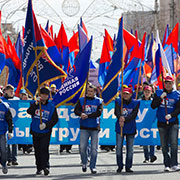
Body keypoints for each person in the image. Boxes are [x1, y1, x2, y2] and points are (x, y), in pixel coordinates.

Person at [27, 87, 58, 176]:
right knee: (37, 150)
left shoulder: (52, 106)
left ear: (48, 96)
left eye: (46, 95)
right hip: (35, 130)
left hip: (46, 131)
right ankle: (39, 167)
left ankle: (46, 167)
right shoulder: (34, 103)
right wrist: (36, 104)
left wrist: (46, 125)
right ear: (39, 95)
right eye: (42, 94)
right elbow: (29, 111)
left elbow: (55, 119)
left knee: (44, 149)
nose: (44, 96)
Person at [151, 76, 180, 172]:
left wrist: (171, 115)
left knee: (174, 143)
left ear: (173, 84)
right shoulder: (159, 93)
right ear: (164, 84)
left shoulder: (177, 94)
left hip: (173, 122)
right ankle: (167, 164)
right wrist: (160, 98)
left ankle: (174, 163)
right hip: (161, 123)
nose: (168, 85)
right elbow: (153, 106)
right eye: (166, 83)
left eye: (170, 83)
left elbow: (178, 108)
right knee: (164, 145)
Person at [74, 84, 103, 174]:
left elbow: (99, 113)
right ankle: (84, 162)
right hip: (84, 127)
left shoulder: (99, 101)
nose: (89, 93)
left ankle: (93, 166)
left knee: (94, 148)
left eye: (91, 91)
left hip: (94, 127)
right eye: (88, 91)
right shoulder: (82, 100)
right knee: (82, 147)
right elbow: (76, 110)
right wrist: (80, 114)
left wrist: (88, 115)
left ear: (94, 92)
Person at [114, 87, 139, 173]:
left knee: (130, 149)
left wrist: (125, 118)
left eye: (127, 94)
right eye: (124, 93)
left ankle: (128, 166)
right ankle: (120, 166)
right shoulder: (118, 102)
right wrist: (120, 117)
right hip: (120, 127)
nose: (125, 95)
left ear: (131, 95)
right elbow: (116, 112)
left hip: (130, 127)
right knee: (119, 148)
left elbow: (134, 115)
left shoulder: (135, 103)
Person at [1, 84, 19, 166]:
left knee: (14, 142)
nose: (12, 92)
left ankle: (14, 158)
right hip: (5, 124)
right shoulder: (2, 100)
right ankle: (8, 159)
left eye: (13, 91)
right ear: (6, 91)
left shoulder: (17, 100)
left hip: (15, 123)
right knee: (6, 144)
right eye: (10, 91)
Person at [141, 85, 157, 163]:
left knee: (152, 140)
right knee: (144, 141)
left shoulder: (153, 101)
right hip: (143, 123)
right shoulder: (140, 101)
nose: (147, 93)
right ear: (143, 92)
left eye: (148, 92)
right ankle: (146, 157)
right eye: (146, 91)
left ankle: (152, 155)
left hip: (151, 123)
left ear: (151, 92)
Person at [0, 99, 13, 174]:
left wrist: (10, 131)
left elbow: (9, 119)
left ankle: (4, 164)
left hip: (2, 132)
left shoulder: (5, 106)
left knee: (4, 150)